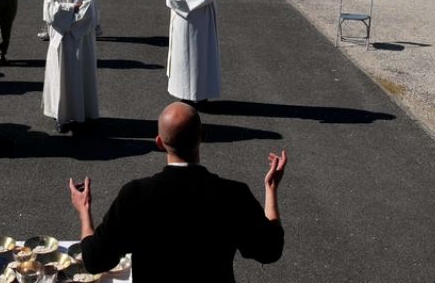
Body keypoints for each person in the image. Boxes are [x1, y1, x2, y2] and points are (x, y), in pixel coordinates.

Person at [68, 102, 286, 280]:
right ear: (202, 135)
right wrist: (271, 189)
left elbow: (95, 259)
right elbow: (270, 249)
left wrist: (84, 211)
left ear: (160, 143)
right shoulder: (233, 194)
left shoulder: (135, 195)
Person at [43, 0, 99, 133]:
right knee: (60, 78)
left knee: (81, 76)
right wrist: (72, 8)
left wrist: (65, 16)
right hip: (60, 41)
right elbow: (50, 14)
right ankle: (61, 117)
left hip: (80, 40)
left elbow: (88, 11)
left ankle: (83, 114)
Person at [166, 0, 220, 104]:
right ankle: (184, 96)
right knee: (183, 58)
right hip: (183, 23)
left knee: (202, 57)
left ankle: (202, 95)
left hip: (204, 23)